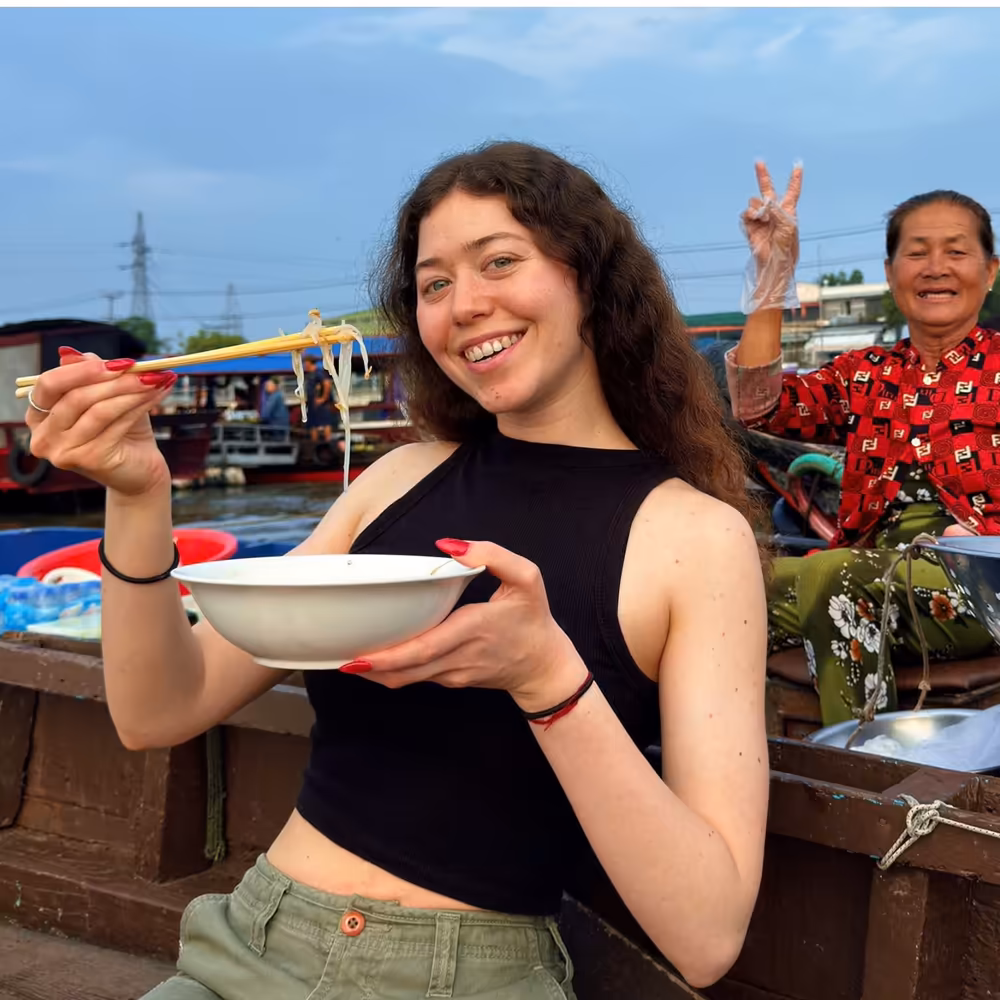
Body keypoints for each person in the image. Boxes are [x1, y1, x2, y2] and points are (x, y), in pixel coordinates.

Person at [24, 141, 768, 997]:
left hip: (468, 977)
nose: (466, 306)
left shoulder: (695, 537)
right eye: (434, 283)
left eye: (500, 262)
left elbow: (707, 935)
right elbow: (160, 708)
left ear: (589, 278)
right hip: (247, 943)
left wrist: (547, 679)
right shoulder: (397, 479)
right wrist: (138, 494)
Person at [727, 164, 1000, 725]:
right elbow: (757, 405)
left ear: (990, 272)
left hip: (984, 584)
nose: (935, 268)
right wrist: (773, 274)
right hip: (871, 569)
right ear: (890, 271)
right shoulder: (864, 372)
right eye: (917, 252)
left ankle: (866, 770)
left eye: (956, 251)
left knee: (834, 575)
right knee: (728, 579)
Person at [303, 354, 334, 443]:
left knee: (325, 423)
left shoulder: (319, 372)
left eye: (306, 363)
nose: (305, 365)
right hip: (312, 403)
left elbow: (327, 384)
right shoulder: (309, 374)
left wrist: (323, 398)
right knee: (313, 424)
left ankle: (328, 445)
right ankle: (314, 445)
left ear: (309, 363)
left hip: (321, 403)